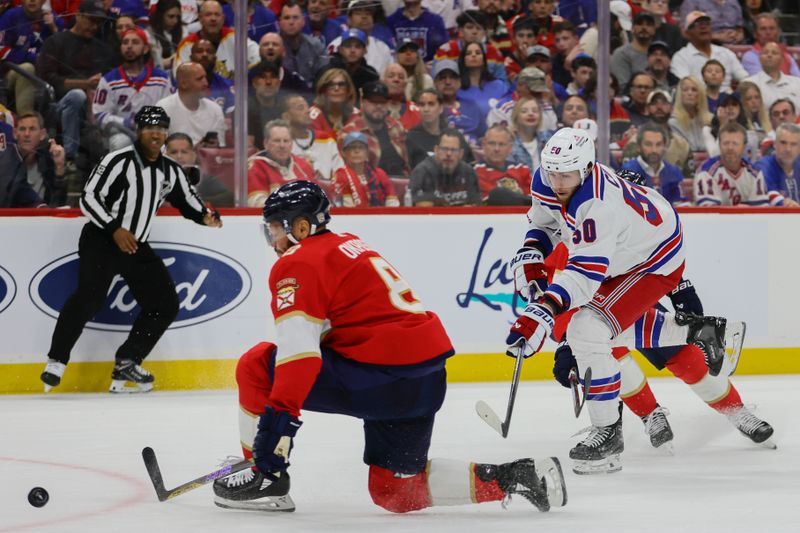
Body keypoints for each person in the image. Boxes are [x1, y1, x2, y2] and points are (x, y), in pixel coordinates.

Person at [211, 180, 567, 513]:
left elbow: (299, 355)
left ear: (300, 227)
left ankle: (264, 477)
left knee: (256, 364)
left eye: (274, 229)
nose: (272, 240)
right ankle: (520, 477)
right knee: (395, 492)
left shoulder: (297, 261)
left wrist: (276, 429)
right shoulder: (349, 243)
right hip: (425, 380)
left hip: (378, 379)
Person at [505, 127, 728, 474]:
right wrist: (532, 251)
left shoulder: (597, 206)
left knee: (586, 329)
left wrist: (543, 310)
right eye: (553, 172)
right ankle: (698, 333)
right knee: (599, 331)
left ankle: (608, 433)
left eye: (567, 174)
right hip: (630, 246)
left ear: (586, 169)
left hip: (653, 260)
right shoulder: (548, 178)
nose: (558, 182)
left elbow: (583, 276)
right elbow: (545, 223)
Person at [39, 106, 223, 394]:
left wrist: (206, 216)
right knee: (89, 297)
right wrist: (115, 229)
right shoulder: (117, 161)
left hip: (135, 244)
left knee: (164, 304)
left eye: (161, 128)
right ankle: (57, 360)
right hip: (102, 239)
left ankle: (128, 359)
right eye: (150, 128)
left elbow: (188, 200)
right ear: (139, 131)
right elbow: (89, 198)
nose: (156, 133)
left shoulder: (169, 170)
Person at [36, 0, 114, 166]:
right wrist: (85, 84)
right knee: (77, 95)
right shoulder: (55, 42)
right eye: (91, 20)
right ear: (78, 16)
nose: (94, 26)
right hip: (57, 106)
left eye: (98, 23)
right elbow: (47, 78)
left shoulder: (103, 49)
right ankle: (69, 156)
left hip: (93, 109)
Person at [94, 28, 173, 151]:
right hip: (122, 132)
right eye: (125, 43)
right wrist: (127, 122)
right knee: (121, 142)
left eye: (135, 42)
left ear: (146, 49)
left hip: (155, 131)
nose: (129, 46)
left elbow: (169, 111)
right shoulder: (108, 80)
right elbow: (100, 115)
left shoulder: (162, 79)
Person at [0, 0, 64, 115]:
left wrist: (54, 28)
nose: (32, 0)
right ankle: (26, 119)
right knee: (27, 68)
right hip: (9, 73)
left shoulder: (53, 18)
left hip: (45, 75)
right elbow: (1, 49)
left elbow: (66, 52)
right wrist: (33, 58)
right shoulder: (10, 16)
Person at [340, 81, 410, 179]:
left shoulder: (397, 127)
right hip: (368, 187)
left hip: (402, 184)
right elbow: (347, 174)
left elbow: (407, 164)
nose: (378, 106)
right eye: (373, 101)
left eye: (382, 102)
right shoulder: (349, 133)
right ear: (363, 102)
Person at [174, 0, 260, 79]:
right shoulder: (186, 44)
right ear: (200, 18)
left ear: (223, 19)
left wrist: (247, 76)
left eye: (217, 15)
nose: (213, 19)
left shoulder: (235, 37)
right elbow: (179, 75)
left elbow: (257, 55)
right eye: (208, 14)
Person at [670, 11, 748, 91]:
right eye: (697, 24)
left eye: (706, 23)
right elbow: (684, 87)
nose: (703, 27)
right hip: (699, 100)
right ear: (687, 33)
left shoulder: (725, 53)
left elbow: (745, 78)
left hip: (727, 100)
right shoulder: (681, 57)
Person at [694, 122, 769, 206]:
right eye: (726, 143)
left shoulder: (755, 173)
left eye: (735, 143)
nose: (730, 148)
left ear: (744, 147)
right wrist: (736, 212)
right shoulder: (706, 172)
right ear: (719, 145)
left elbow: (762, 210)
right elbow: (708, 213)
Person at [247, 119, 316, 206]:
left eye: (286, 141)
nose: (282, 145)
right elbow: (257, 204)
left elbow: (317, 198)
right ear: (266, 143)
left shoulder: (304, 166)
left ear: (291, 144)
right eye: (277, 140)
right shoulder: (255, 167)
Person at [156, 62, 227, 147]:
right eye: (199, 79)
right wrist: (193, 152)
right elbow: (158, 149)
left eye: (205, 78)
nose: (206, 83)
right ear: (183, 84)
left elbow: (221, 147)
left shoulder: (215, 109)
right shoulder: (163, 108)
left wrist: (215, 147)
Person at [408, 129, 481, 206]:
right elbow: (421, 207)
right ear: (436, 150)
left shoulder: (468, 172)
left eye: (453, 150)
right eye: (444, 149)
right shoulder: (422, 172)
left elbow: (476, 204)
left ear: (461, 154)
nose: (449, 154)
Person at [621, 123, 689, 205]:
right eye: (648, 144)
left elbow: (682, 205)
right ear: (638, 147)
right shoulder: (628, 171)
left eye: (658, 144)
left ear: (665, 147)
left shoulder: (673, 171)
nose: (654, 150)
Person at [282, 93, 343, 183]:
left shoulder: (326, 139)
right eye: (300, 108)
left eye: (307, 107)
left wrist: (325, 183)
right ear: (286, 116)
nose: (307, 111)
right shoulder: (281, 144)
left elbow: (341, 173)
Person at [165, 132, 234, 207]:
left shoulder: (204, 180)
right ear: (165, 156)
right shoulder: (157, 178)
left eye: (184, 152)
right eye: (173, 152)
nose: (179, 156)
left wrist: (193, 200)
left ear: (193, 156)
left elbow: (229, 197)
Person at [333, 131, 400, 207]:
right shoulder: (340, 175)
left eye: (361, 147)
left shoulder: (379, 174)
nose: (357, 151)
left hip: (381, 216)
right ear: (344, 153)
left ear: (367, 152)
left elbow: (392, 203)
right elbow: (345, 208)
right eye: (352, 147)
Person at [474, 124, 531, 205]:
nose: (497, 149)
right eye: (492, 143)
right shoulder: (476, 171)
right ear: (483, 145)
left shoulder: (521, 169)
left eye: (501, 144)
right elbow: (495, 198)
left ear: (510, 148)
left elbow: (533, 199)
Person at [743, 42, 800, 111]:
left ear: (782, 60)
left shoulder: (797, 82)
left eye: (774, 53)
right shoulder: (749, 83)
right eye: (765, 53)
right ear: (760, 59)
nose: (769, 55)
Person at [741, 12, 800, 77]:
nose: (768, 32)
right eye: (763, 29)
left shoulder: (787, 55)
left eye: (772, 28)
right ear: (755, 34)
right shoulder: (750, 57)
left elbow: (797, 79)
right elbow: (760, 83)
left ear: (778, 32)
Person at [755, 123, 800, 206]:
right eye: (783, 143)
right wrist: (785, 203)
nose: (788, 149)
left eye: (793, 144)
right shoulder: (764, 166)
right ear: (775, 144)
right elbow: (769, 195)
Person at [610, 11, 656, 89]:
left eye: (648, 25)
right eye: (639, 24)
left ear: (654, 30)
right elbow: (622, 87)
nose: (644, 27)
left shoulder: (658, 54)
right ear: (632, 28)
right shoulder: (621, 54)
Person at [309, 68, 358, 137]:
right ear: (323, 90)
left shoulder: (356, 115)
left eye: (341, 84)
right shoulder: (312, 115)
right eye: (330, 85)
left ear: (348, 90)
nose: (336, 88)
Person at [669, 76, 712, 152]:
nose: (689, 93)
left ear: (700, 94)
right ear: (680, 94)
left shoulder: (710, 120)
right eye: (685, 90)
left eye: (694, 90)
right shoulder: (673, 122)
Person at [146, 0, 183, 70]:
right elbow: (155, 65)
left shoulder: (182, 30)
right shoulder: (149, 34)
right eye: (171, 16)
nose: (175, 21)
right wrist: (174, 59)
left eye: (178, 17)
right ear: (160, 15)